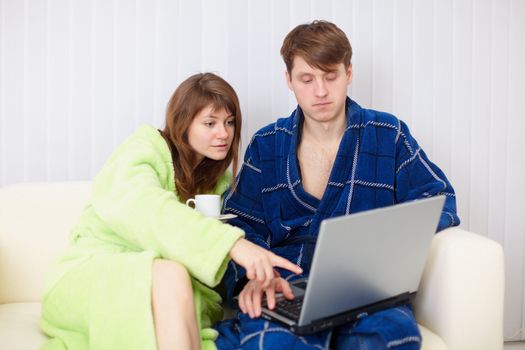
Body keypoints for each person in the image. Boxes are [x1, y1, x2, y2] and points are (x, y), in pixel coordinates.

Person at [214, 21, 460, 349]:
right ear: (288, 80)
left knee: (389, 338)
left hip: (366, 286)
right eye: (306, 79)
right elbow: (240, 225)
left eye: (331, 76)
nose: (320, 91)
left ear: (349, 73)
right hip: (286, 284)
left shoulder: (388, 134)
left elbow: (439, 198)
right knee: (274, 343)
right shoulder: (266, 145)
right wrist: (254, 275)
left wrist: (381, 245)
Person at [40, 72, 302, 350]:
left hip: (171, 292)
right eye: (210, 123)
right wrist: (230, 244)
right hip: (92, 275)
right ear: (183, 123)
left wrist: (257, 277)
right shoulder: (144, 148)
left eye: (229, 122)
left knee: (175, 277)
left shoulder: (219, 185)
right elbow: (139, 204)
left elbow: (218, 264)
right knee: (172, 274)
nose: (223, 134)